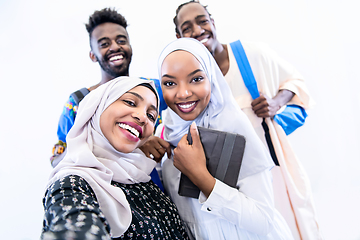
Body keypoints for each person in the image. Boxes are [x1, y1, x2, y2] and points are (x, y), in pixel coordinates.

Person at [172, 1, 322, 239]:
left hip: (271, 172)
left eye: (202, 21)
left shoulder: (250, 55)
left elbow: (295, 83)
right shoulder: (189, 78)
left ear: (213, 22)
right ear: (179, 36)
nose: (198, 30)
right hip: (229, 184)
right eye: (187, 27)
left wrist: (276, 103)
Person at [156, 37, 293, 239]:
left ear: (211, 78)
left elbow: (263, 220)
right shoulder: (165, 132)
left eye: (196, 79)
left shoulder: (233, 127)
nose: (183, 93)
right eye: (170, 83)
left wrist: (201, 177)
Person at [41, 77, 189, 240]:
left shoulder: (140, 177)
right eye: (131, 102)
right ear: (99, 106)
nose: (142, 117)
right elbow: (75, 222)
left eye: (151, 115)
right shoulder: (72, 183)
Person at [50, 8, 167, 190]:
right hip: (102, 195)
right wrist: (136, 140)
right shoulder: (78, 102)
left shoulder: (154, 90)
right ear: (92, 55)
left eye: (121, 40)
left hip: (154, 194)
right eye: (104, 44)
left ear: (130, 47)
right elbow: (57, 160)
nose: (114, 47)